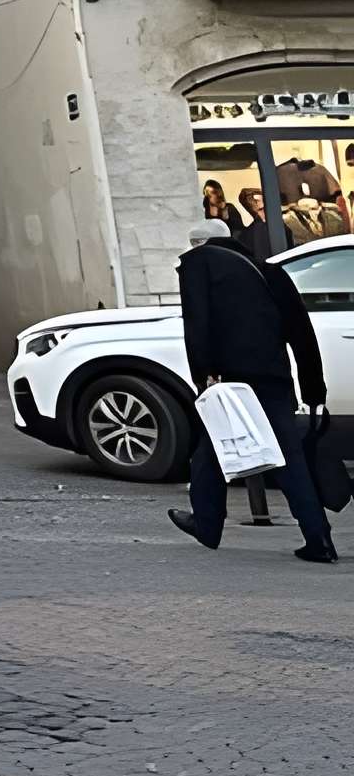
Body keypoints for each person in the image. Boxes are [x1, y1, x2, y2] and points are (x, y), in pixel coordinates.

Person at [167, 218, 335, 563]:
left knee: (209, 450)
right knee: (286, 458)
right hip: (274, 377)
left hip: (230, 380)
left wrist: (204, 374)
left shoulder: (199, 263)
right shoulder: (268, 271)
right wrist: (313, 391)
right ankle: (318, 538)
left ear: (198, 244)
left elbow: (197, 323)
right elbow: (302, 333)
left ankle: (207, 524)